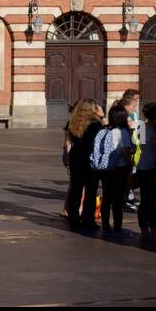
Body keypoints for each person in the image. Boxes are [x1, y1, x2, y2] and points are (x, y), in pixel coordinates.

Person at [94, 101, 135, 239]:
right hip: (120, 169)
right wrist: (131, 165)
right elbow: (126, 152)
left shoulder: (104, 130)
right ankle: (117, 229)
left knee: (106, 198)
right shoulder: (122, 132)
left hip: (105, 168)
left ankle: (106, 228)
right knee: (117, 201)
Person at [64, 98, 103, 232]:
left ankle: (73, 216)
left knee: (76, 188)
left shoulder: (73, 122)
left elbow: (68, 142)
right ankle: (88, 219)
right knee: (91, 191)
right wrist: (102, 116)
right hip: (90, 159)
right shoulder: (96, 124)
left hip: (76, 157)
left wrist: (68, 159)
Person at [136, 100, 156, 247]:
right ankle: (155, 233)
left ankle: (144, 231)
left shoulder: (141, 126)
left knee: (144, 200)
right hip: (155, 168)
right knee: (155, 203)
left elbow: (140, 144)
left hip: (142, 166)